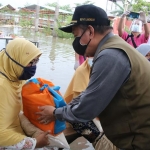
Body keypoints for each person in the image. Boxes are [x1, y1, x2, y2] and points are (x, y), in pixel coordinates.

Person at [36, 4, 150, 150]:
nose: (77, 43)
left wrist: (54, 113)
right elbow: (91, 92)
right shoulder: (116, 46)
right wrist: (67, 106)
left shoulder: (110, 55)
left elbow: (86, 111)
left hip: (141, 138)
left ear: (90, 31)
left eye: (77, 36)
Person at [0, 38, 49, 149]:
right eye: (30, 62)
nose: (33, 67)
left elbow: (18, 112)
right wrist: (33, 143)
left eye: (36, 61)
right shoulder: (1, 86)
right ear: (15, 60)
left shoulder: (16, 78)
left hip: (16, 130)